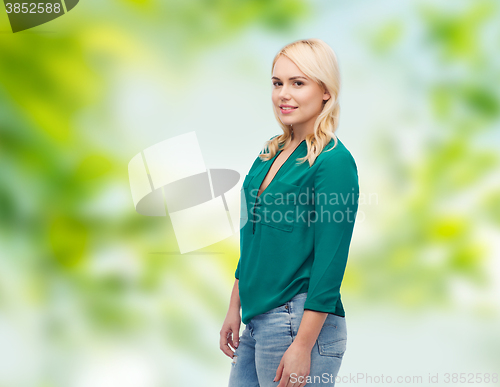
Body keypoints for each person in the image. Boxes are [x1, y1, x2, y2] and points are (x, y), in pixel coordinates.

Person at [220, 38, 359, 387]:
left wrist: (303, 345)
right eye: (277, 83)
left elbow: (331, 263)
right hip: (258, 319)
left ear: (325, 91)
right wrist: (234, 307)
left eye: (298, 83)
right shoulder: (270, 153)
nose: (284, 93)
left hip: (296, 321)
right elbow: (253, 240)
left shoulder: (334, 162)